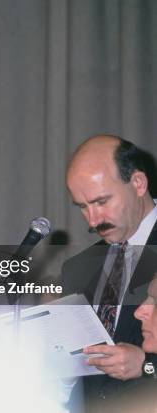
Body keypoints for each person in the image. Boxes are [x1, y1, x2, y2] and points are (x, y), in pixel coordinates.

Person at [62, 135, 157, 412]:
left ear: (138, 183)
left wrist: (146, 364)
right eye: (82, 206)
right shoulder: (77, 268)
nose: (93, 221)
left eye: (101, 201)